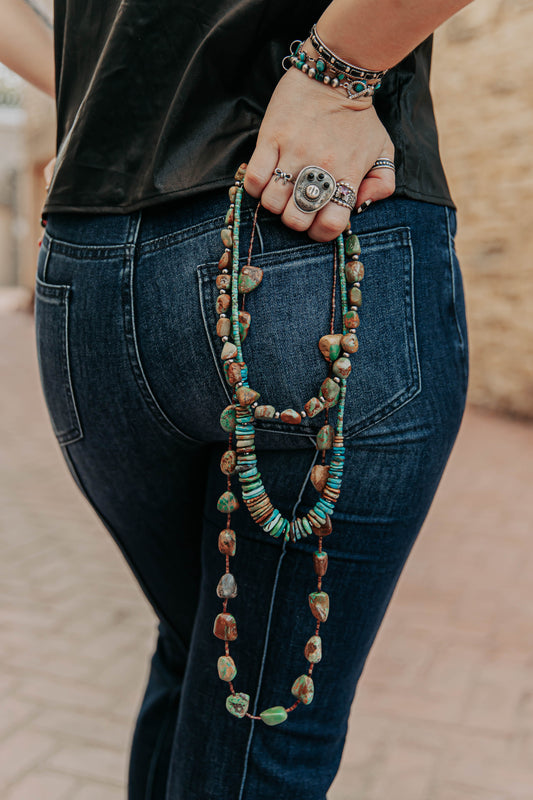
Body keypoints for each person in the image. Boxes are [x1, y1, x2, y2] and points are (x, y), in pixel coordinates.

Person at [3, 0, 471, 797]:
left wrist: (102, 102)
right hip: (308, 227)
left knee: (200, 652)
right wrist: (335, 71)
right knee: (263, 722)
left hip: (92, 266)